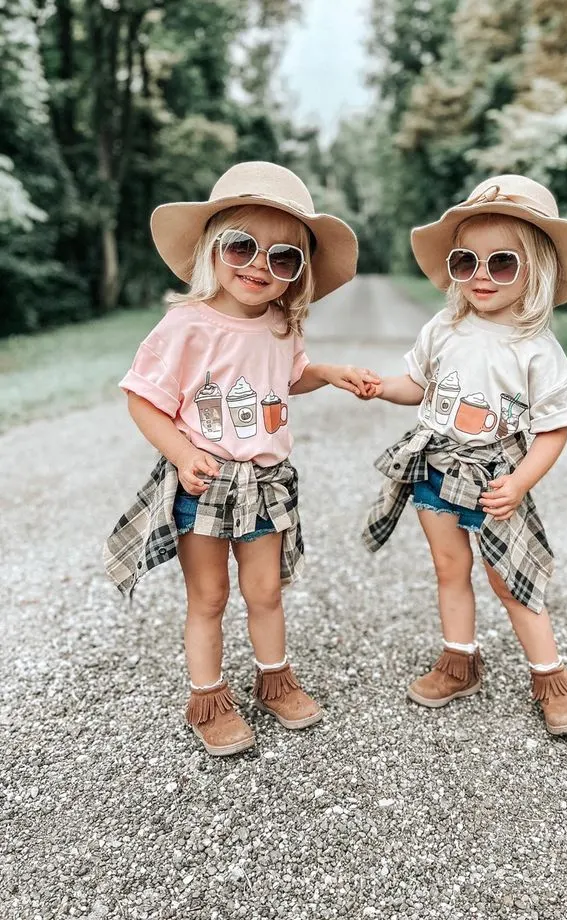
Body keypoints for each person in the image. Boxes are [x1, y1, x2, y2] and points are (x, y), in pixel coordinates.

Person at [105, 162, 378, 755]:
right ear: (212, 249)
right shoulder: (186, 326)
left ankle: (274, 680)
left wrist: (328, 374)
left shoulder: (282, 325)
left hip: (267, 483)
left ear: (297, 275)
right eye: (243, 246)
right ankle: (207, 696)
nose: (260, 264)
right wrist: (180, 453)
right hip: (204, 483)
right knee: (207, 597)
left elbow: (290, 375)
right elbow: (142, 398)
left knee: (266, 591)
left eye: (283, 257)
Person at [363, 174, 567, 735]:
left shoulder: (535, 347)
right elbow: (418, 386)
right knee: (450, 568)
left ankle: (550, 675)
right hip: (435, 467)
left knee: (508, 578)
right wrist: (381, 387)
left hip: (496, 479)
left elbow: (553, 430)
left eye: (502, 264)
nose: (482, 276)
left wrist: (519, 483)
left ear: (534, 269)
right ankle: (459, 659)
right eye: (467, 262)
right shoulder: (445, 327)